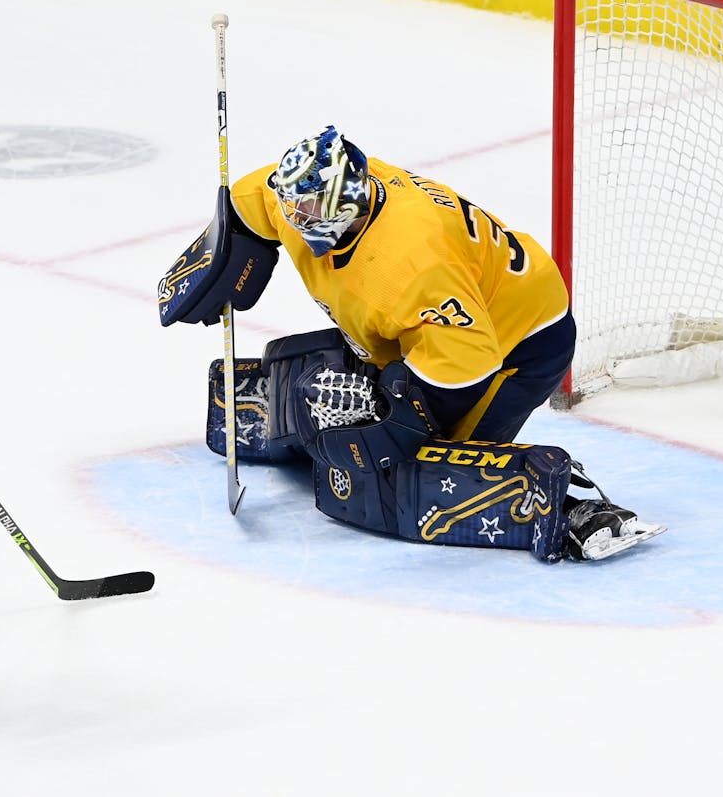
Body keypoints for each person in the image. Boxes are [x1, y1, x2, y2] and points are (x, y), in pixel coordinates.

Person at [159, 125, 663, 562]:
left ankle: (572, 506)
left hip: (514, 342)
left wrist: (394, 418)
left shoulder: (412, 262)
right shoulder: (304, 191)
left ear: (348, 206)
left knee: (419, 467)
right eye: (294, 208)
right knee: (342, 389)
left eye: (310, 213)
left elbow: (466, 364)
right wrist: (224, 252)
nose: (296, 220)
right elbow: (254, 206)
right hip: (438, 322)